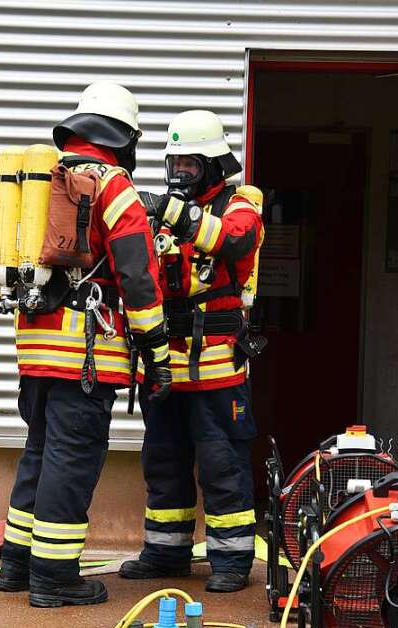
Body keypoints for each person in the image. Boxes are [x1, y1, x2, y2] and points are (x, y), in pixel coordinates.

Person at [0, 82, 171, 607]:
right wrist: (155, 349)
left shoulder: (38, 181)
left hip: (34, 351)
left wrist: (14, 300)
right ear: (124, 136)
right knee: (71, 462)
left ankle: (16, 565)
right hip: (87, 356)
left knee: (38, 453)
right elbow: (138, 276)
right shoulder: (114, 186)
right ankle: (56, 578)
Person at [121, 110, 265, 593]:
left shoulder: (239, 204)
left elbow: (235, 239)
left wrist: (170, 210)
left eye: (191, 164)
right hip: (164, 365)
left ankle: (230, 561)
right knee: (163, 462)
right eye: (175, 162)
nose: (180, 172)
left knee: (222, 464)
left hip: (218, 368)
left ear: (214, 165)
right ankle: (165, 553)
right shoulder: (163, 212)